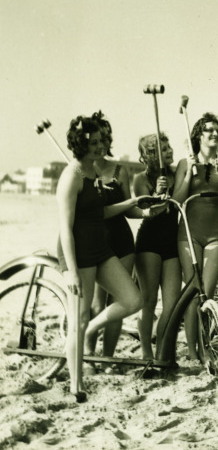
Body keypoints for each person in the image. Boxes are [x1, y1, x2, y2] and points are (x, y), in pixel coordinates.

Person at [56, 116, 144, 400]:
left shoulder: (92, 170)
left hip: (100, 248)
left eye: (101, 141)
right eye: (92, 142)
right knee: (78, 319)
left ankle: (94, 326)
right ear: (79, 143)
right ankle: (76, 386)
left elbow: (100, 213)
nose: (99, 146)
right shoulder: (71, 175)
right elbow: (65, 227)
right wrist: (69, 271)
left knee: (133, 300)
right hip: (78, 252)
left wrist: (130, 203)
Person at [85, 111, 139, 368]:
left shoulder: (121, 170)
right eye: (98, 139)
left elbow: (129, 209)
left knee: (119, 302)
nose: (102, 143)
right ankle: (90, 356)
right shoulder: (84, 170)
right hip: (96, 241)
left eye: (106, 138)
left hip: (122, 241)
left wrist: (147, 211)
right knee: (97, 305)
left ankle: (107, 358)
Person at [173, 112, 218, 360]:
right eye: (209, 130)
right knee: (193, 292)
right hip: (189, 232)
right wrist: (188, 174)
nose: (214, 133)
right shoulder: (186, 163)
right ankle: (193, 351)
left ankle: (208, 349)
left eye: (217, 130)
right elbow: (177, 199)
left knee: (208, 292)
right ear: (198, 135)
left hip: (217, 231)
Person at [133, 133, 182, 360]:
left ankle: (163, 352)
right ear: (152, 156)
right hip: (149, 243)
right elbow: (146, 208)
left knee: (171, 306)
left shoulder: (175, 174)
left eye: (169, 145)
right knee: (149, 301)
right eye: (163, 149)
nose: (170, 150)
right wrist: (157, 194)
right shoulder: (140, 178)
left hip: (172, 242)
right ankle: (146, 353)